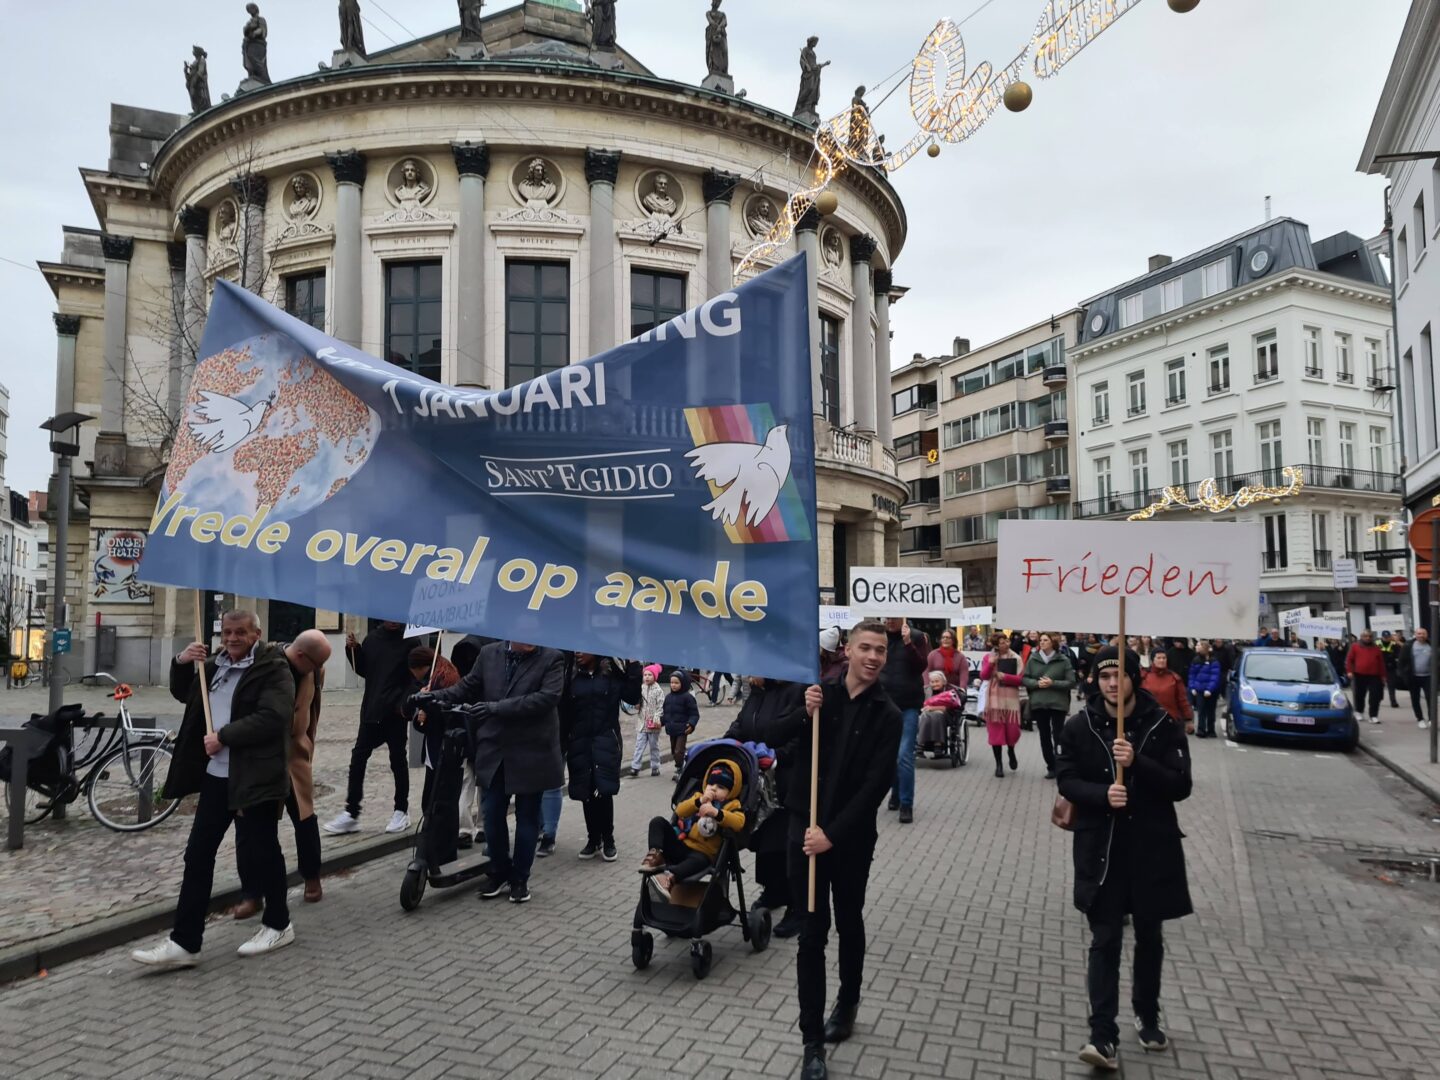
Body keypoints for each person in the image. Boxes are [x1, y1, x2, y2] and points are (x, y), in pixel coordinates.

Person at [748, 621, 901, 1080]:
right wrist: (802, 711)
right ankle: (812, 1041)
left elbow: (875, 787)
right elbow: (766, 735)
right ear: (848, 651)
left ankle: (848, 1001)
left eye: (881, 651)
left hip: (848, 839)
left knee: (848, 921)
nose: (873, 657)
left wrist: (832, 834)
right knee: (812, 934)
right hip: (802, 831)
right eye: (866, 648)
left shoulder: (887, 714)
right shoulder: (819, 696)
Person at [131, 611, 297, 968]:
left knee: (262, 851)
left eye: (241, 632)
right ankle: (185, 942)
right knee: (198, 855)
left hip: (255, 775)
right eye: (227, 632)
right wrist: (182, 662)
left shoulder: (273, 669)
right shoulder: (214, 666)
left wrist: (224, 736)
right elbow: (186, 695)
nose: (233, 638)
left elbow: (274, 717)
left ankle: (279, 924)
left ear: (257, 633)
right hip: (216, 777)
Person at [1056, 644, 1192, 1072]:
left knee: (1149, 937)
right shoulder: (1080, 726)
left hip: (1151, 847)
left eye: (1121, 676)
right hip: (1103, 850)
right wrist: (1102, 794)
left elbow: (1180, 784)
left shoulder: (1162, 724)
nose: (1113, 684)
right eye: (1104, 677)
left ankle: (1147, 1013)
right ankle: (1102, 1034)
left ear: (1135, 677)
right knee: (1106, 939)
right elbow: (1067, 779)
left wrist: (1137, 764)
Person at [418, 638, 566, 904]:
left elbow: (547, 698)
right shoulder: (489, 654)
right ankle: (498, 871)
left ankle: (520, 878)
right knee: (492, 814)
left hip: (533, 750)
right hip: (495, 748)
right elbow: (467, 686)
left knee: (527, 818)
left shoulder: (552, 657)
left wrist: (495, 708)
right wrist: (432, 696)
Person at [234, 629, 332, 919]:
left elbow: (313, 710)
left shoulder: (312, 672)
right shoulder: (263, 662)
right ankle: (251, 892)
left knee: (304, 818)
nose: (318, 671)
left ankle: (312, 877)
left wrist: (308, 746)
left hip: (294, 757)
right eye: (315, 664)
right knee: (249, 826)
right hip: (258, 757)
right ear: (301, 656)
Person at [726, 675, 809, 938]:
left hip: (786, 781)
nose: (749, 674)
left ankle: (798, 906)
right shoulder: (757, 693)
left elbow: (800, 737)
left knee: (787, 844)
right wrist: (726, 743)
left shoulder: (796, 690)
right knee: (765, 841)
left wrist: (776, 756)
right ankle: (773, 891)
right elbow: (742, 723)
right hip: (759, 784)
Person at [324, 621, 414, 835]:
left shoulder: (410, 641)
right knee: (357, 759)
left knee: (398, 760)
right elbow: (364, 669)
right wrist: (353, 650)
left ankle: (401, 810)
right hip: (372, 709)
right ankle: (351, 813)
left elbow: (415, 678)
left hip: (394, 713)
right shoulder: (372, 639)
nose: (392, 620)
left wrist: (402, 705)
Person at [561, 654, 641, 862]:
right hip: (580, 742)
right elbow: (564, 712)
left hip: (605, 741)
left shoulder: (610, 675)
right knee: (586, 791)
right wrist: (563, 742)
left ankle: (608, 839)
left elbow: (632, 697)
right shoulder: (570, 676)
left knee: (603, 790)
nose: (578, 653)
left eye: (583, 650)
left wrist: (633, 666)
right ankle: (593, 839)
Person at [639, 759, 747, 899]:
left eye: (720, 787)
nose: (713, 788)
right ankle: (656, 855)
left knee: (697, 862)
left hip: (703, 853)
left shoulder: (732, 805)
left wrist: (716, 813)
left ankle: (669, 879)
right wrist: (699, 802)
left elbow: (739, 822)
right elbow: (680, 811)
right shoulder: (698, 797)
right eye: (710, 784)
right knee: (657, 822)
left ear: (730, 791)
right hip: (682, 845)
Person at [404, 645, 463, 855]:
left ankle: (444, 850)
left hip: (445, 750)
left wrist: (426, 712)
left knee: (442, 803)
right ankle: (434, 845)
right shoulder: (431, 679)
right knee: (430, 800)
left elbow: (445, 717)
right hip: (433, 752)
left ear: (423, 667)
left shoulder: (445, 679)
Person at [881, 616, 928, 824]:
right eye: (886, 618)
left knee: (904, 756)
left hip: (908, 704)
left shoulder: (917, 637)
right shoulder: (881, 637)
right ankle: (896, 792)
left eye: (893, 618)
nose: (889, 621)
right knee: (888, 755)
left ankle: (906, 804)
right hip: (884, 704)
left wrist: (908, 643)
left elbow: (920, 666)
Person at [1022, 631, 1074, 779]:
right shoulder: (1033, 659)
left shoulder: (1063, 660)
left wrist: (1053, 683)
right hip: (1039, 702)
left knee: (1058, 735)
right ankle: (1050, 766)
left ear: (1053, 642)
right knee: (1044, 736)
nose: (1042, 642)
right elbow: (1025, 679)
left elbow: (1071, 682)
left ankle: (1060, 765)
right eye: (1041, 640)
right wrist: (1037, 683)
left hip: (1058, 703)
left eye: (1045, 640)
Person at [982, 634, 1023, 778]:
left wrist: (1006, 677)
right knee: (996, 733)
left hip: (1011, 700)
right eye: (1001, 643)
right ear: (996, 645)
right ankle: (998, 765)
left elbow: (1020, 680)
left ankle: (1011, 750)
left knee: (1013, 732)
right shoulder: (989, 657)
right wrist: (991, 664)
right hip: (994, 700)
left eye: (1007, 641)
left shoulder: (1017, 658)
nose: (1005, 644)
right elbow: (984, 676)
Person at [1141, 650, 1193, 735]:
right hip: (1148, 720)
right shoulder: (1143, 676)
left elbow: (1183, 700)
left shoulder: (1175, 678)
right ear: (1152, 660)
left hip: (1171, 720)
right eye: (1158, 658)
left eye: (1164, 658)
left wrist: (1188, 719)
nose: (1162, 660)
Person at [661, 670, 700, 778]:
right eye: (672, 682)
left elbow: (694, 714)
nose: (673, 685)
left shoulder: (688, 697)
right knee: (674, 751)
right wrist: (660, 722)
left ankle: (681, 770)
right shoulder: (668, 697)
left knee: (679, 751)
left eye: (676, 683)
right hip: (671, 729)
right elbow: (666, 714)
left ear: (683, 683)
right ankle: (680, 766)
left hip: (683, 729)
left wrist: (691, 724)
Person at [630, 664, 667, 776]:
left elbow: (661, 706)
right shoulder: (641, 688)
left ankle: (655, 767)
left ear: (655, 676)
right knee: (639, 745)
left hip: (653, 725)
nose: (646, 677)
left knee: (654, 746)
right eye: (645, 675)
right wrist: (635, 705)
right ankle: (635, 767)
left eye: (649, 675)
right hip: (642, 724)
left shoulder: (658, 690)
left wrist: (656, 718)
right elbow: (636, 701)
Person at [1346, 630, 1387, 724]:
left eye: (1369, 636)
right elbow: (1349, 659)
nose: (1367, 638)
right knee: (1360, 694)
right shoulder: (1355, 646)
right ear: (1361, 637)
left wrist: (1383, 676)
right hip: (1359, 674)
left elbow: (1381, 663)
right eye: (1365, 636)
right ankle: (1359, 711)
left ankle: (1373, 715)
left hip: (1374, 675)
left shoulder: (1376, 648)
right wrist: (1349, 671)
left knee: (1375, 696)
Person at [917, 670, 962, 749]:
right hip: (927, 714)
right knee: (924, 716)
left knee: (938, 715)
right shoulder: (926, 690)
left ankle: (938, 743)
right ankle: (922, 742)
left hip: (947, 716)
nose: (934, 684)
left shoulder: (950, 690)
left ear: (944, 682)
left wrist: (933, 708)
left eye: (937, 681)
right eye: (932, 682)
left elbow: (953, 707)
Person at [1187, 641, 1222, 739]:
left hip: (1211, 691)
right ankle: (1201, 730)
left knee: (1211, 711)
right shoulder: (1195, 660)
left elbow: (1215, 677)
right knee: (1201, 710)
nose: (1197, 647)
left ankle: (1211, 730)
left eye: (1199, 645)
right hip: (1199, 690)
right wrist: (1192, 687)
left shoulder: (1213, 661)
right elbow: (1192, 675)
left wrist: (1209, 689)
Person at [1400, 628, 1432, 728]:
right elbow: (1402, 661)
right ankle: (1420, 719)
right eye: (1419, 633)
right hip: (1413, 677)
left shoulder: (1432, 645)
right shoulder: (1408, 646)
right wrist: (1404, 675)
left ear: (1426, 635)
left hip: (1428, 677)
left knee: (1430, 698)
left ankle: (1431, 719)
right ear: (1415, 635)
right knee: (1415, 699)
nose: (1421, 635)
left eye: (1423, 633)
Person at [926, 629, 968, 693]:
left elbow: (964, 674)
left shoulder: (960, 657)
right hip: (935, 691)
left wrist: (962, 689)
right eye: (943, 637)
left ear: (953, 640)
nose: (945, 639)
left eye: (948, 638)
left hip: (953, 692)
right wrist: (927, 687)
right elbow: (926, 672)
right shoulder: (933, 655)